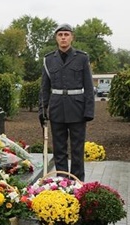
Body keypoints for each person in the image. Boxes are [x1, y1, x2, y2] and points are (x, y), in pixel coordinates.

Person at [38, 23, 95, 181]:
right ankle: (62, 183)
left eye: (66, 34)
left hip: (77, 109)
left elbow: (89, 87)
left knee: (77, 149)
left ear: (72, 37)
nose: (63, 37)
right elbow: (44, 88)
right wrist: (43, 111)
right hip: (57, 110)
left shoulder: (82, 58)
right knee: (59, 150)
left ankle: (77, 183)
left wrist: (89, 111)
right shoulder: (49, 60)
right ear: (56, 38)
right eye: (60, 35)